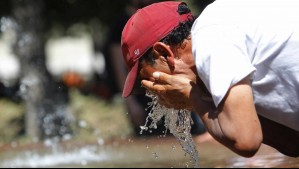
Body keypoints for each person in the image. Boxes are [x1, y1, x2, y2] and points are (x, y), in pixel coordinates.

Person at [120, 0, 299, 157]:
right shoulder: (223, 28)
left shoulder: (209, 37)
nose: (156, 91)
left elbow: (247, 142)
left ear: (164, 53)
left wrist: (194, 98)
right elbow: (292, 143)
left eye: (151, 79)